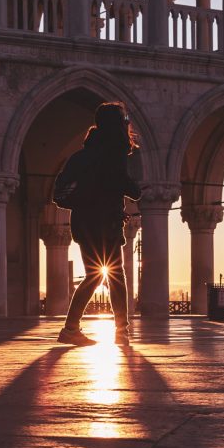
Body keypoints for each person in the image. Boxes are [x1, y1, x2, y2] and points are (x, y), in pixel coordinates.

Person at [54, 102, 142, 346]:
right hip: (106, 224)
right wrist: (135, 189)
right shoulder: (113, 152)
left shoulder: (81, 156)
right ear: (117, 124)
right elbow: (122, 184)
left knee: (94, 274)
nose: (127, 123)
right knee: (115, 275)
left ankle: (70, 329)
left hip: (82, 223)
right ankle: (121, 330)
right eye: (124, 119)